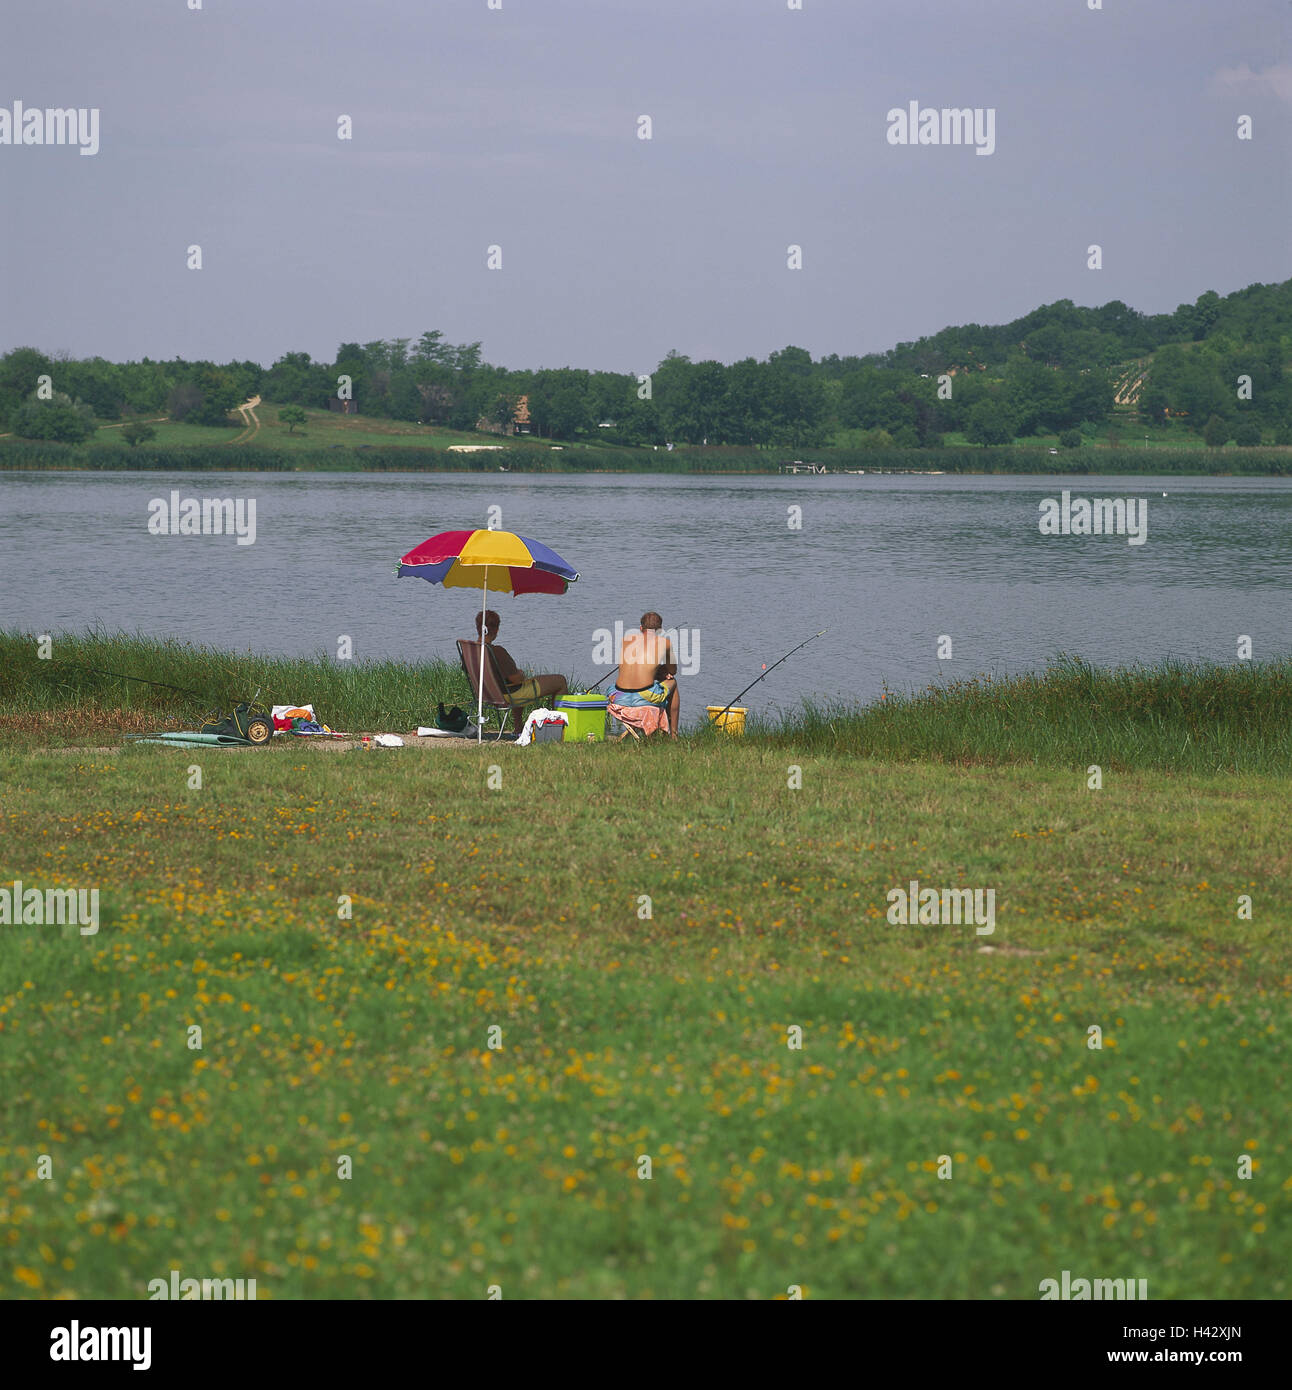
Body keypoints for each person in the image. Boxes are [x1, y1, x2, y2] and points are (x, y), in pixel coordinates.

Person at [473, 610, 567, 735]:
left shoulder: (470, 650)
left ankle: (518, 728)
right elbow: (516, 679)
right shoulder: (497, 652)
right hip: (506, 695)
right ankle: (559, 730)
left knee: (516, 686)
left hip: (485, 694)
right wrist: (521, 673)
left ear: (478, 628)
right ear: (496, 630)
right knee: (560, 681)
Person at [612, 611, 679, 738]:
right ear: (659, 630)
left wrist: (656, 671)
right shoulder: (665, 642)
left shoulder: (626, 641)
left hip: (618, 697)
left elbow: (637, 669)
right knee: (673, 682)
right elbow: (673, 670)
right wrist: (663, 672)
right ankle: (674, 735)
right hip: (642, 698)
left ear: (641, 628)